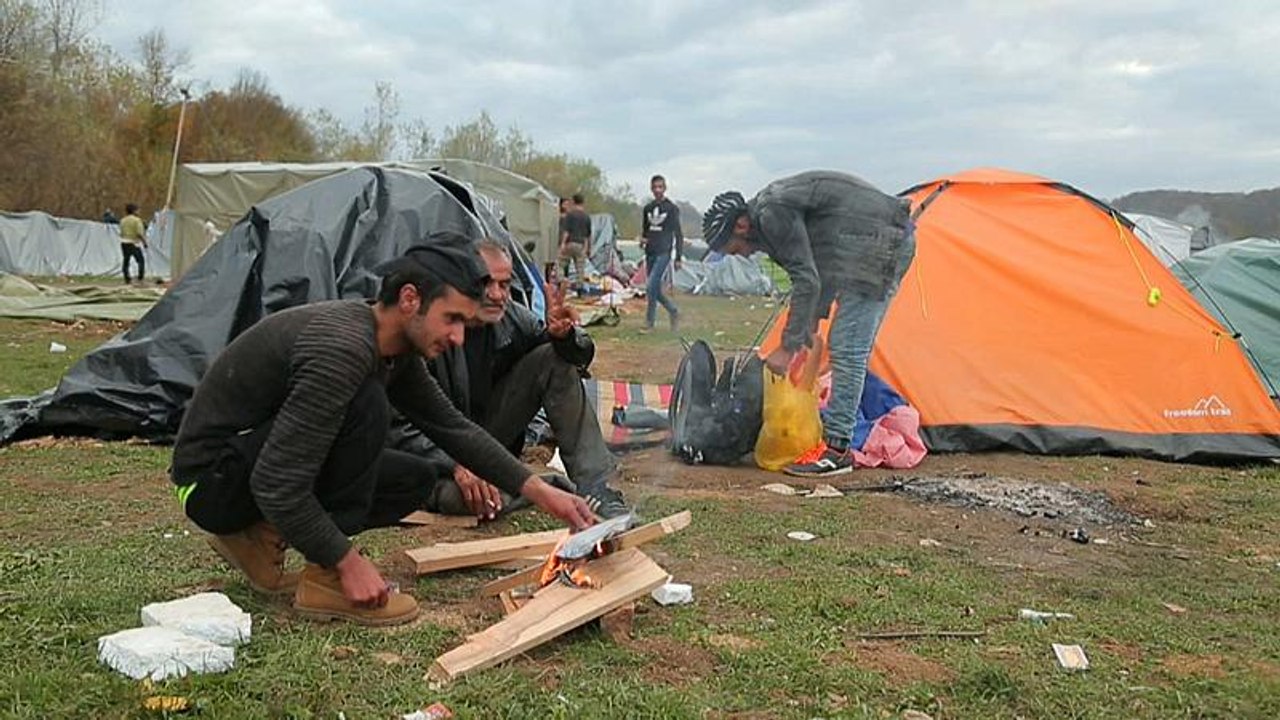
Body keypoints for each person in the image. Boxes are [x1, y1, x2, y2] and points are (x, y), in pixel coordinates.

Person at [170, 241, 597, 626]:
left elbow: (451, 428)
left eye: (464, 323)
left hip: (241, 472)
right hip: (210, 482)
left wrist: (544, 492)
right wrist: (346, 561)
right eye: (450, 319)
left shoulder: (394, 351)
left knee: (412, 478)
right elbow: (276, 482)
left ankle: (258, 539)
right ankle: (325, 580)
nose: (457, 337)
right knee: (368, 404)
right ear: (410, 299)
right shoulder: (343, 349)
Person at [703, 171, 916, 478]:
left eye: (736, 248)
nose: (745, 254)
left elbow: (807, 280)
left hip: (881, 244)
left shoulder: (771, 213)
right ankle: (835, 442)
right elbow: (821, 264)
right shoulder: (769, 213)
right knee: (844, 345)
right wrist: (810, 325)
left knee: (847, 347)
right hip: (865, 245)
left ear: (741, 225)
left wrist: (788, 348)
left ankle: (838, 451)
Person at [418, 238, 629, 520]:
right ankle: (545, 487)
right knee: (458, 499)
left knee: (554, 358)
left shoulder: (514, 319)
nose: (497, 294)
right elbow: (400, 424)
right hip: (438, 449)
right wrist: (453, 463)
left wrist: (565, 337)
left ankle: (596, 487)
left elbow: (576, 359)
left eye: (504, 285)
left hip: (487, 439)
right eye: (487, 283)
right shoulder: (427, 326)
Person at [640, 174, 683, 331]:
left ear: (665, 188)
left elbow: (678, 234)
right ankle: (673, 311)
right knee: (654, 289)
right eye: (655, 187)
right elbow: (645, 230)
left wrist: (678, 257)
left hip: (664, 252)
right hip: (650, 251)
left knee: (651, 285)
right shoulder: (648, 208)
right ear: (651, 189)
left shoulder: (671, 209)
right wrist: (643, 240)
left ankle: (649, 322)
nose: (658, 190)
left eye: (660, 187)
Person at [559, 193, 591, 284]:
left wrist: (562, 244)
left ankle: (562, 283)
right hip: (581, 244)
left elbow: (566, 231)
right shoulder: (586, 217)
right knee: (580, 268)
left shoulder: (570, 215)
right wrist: (588, 248)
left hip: (570, 243)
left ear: (573, 202)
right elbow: (588, 235)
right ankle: (579, 289)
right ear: (583, 202)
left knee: (560, 264)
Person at [119, 203, 147, 284]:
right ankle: (140, 278)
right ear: (134, 211)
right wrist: (144, 242)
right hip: (134, 243)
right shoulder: (137, 220)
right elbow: (139, 233)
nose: (139, 211)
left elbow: (121, 232)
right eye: (138, 210)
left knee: (126, 260)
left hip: (124, 243)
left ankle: (127, 278)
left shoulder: (122, 220)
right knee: (140, 260)